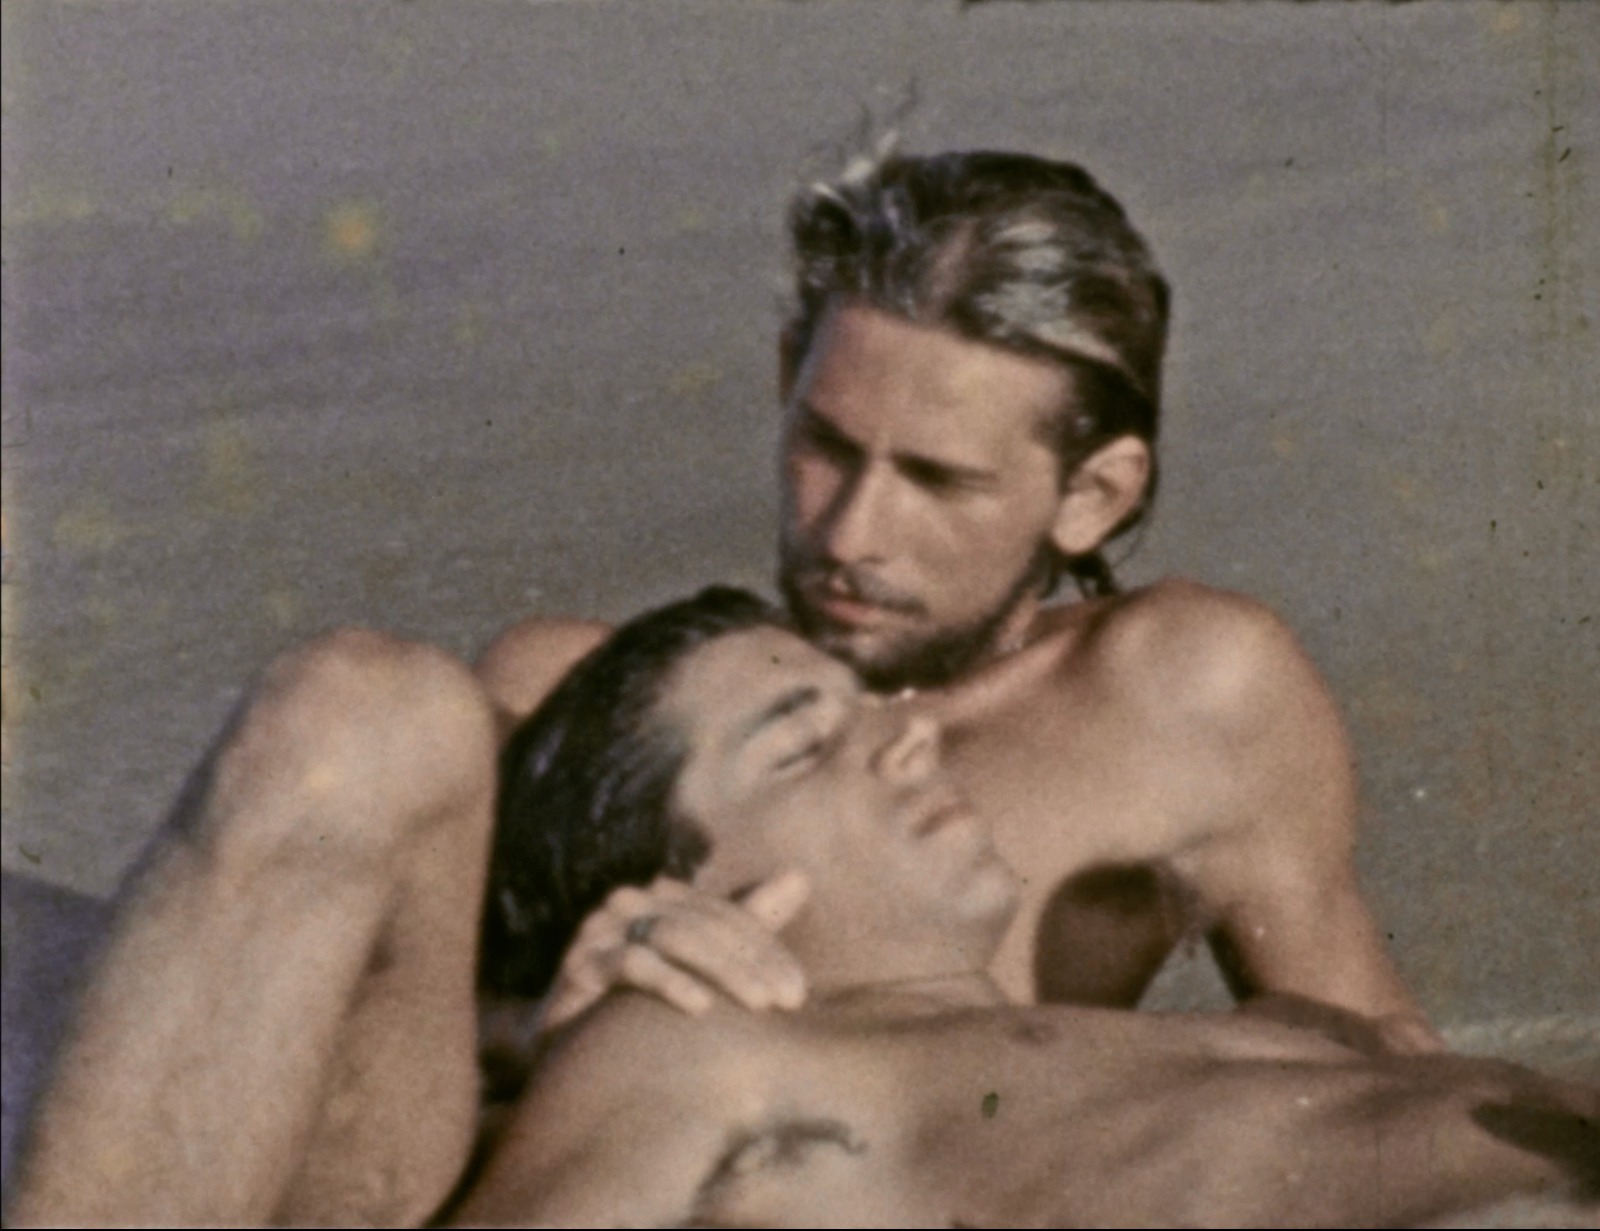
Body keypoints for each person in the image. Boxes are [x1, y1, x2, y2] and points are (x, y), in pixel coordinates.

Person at [11, 589, 1597, 1228]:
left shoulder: (1267, 1028)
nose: (908, 735)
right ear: (691, 893)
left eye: (867, 703)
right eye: (802, 737)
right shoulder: (693, 1058)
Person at [479, 148, 1440, 1048]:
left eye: (939, 480)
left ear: (1092, 496)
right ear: (786, 377)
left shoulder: (1179, 701)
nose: (849, 536)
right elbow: (404, 1065)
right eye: (826, 444)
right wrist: (532, 1032)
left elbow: (1382, 1072)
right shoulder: (564, 700)